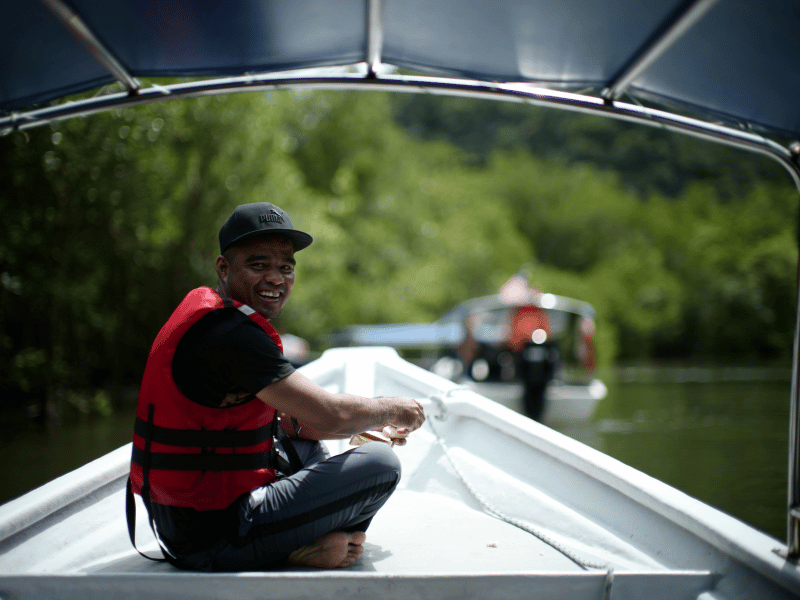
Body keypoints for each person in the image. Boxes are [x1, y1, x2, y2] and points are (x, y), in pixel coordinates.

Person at [128, 202, 425, 572]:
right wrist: (394, 408)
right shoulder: (233, 336)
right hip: (215, 535)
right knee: (381, 464)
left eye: (285, 268)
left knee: (304, 442)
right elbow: (330, 414)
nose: (275, 278)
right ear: (224, 267)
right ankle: (304, 548)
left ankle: (309, 537)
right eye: (258, 265)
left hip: (182, 522)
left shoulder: (218, 319)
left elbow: (295, 419)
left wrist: (353, 423)